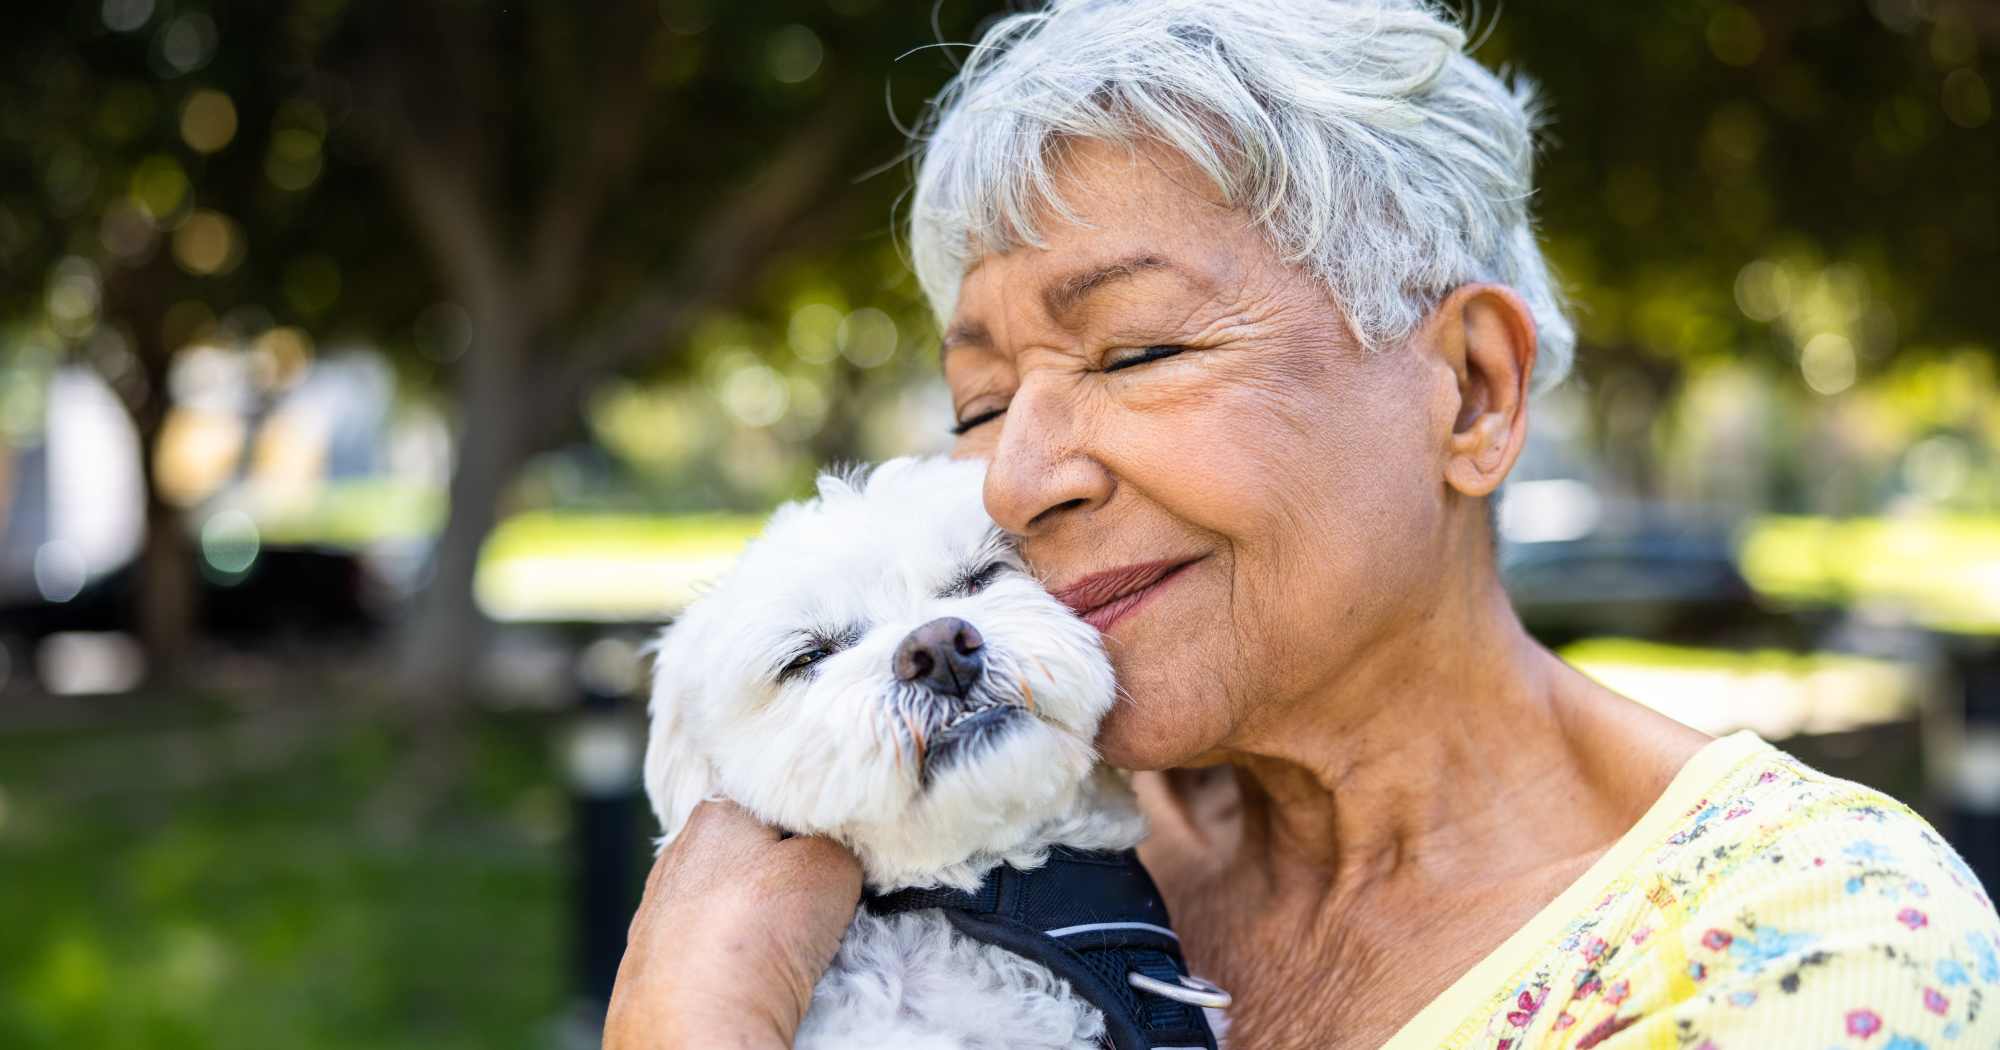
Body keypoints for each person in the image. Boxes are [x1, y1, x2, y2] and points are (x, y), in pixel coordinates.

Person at [605, 2, 2000, 1047]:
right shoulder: (1002, 832)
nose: (1019, 475)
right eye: (978, 401)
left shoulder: (1804, 947)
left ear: (1471, 390)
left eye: (1136, 352)